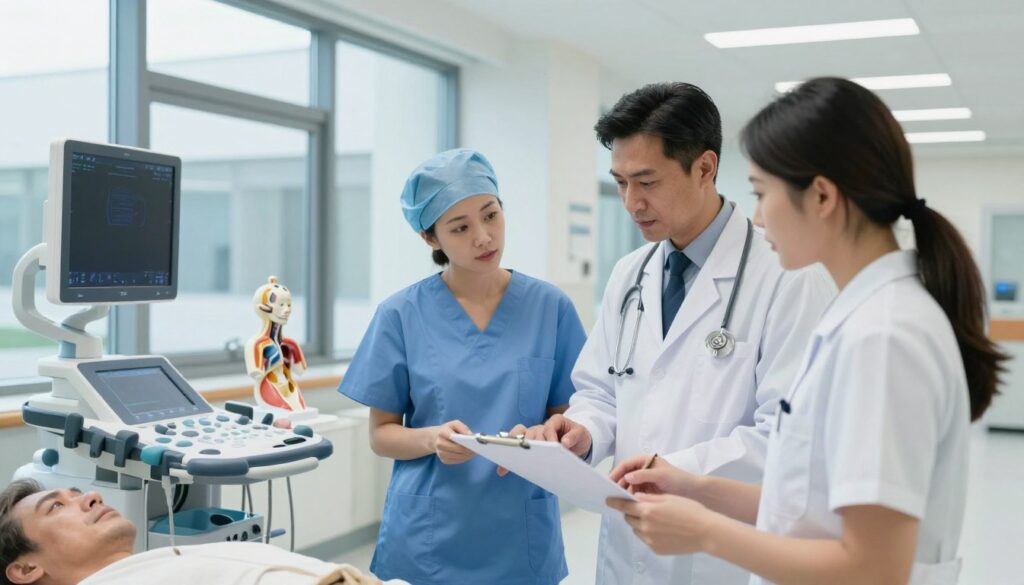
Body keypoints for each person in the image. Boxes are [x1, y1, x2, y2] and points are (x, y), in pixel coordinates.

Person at [607, 77, 1009, 585]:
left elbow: (875, 567)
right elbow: (808, 505)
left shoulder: (883, 338)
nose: (756, 215)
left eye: (761, 193)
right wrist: (693, 486)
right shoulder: (862, 320)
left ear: (820, 196)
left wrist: (707, 532)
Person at [509, 82, 836, 585]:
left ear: (705, 167)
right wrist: (582, 432)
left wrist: (673, 469)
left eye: (647, 181)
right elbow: (601, 391)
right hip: (628, 547)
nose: (631, 202)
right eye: (620, 182)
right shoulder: (629, 275)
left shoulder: (787, 277)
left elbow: (789, 438)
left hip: (723, 553)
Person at [337, 149, 587, 585]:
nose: (484, 237)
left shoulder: (550, 308)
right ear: (430, 239)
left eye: (491, 215)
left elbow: (570, 415)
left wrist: (544, 434)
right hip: (430, 538)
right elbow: (381, 435)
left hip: (520, 533)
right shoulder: (400, 314)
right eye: (461, 227)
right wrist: (432, 439)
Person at [0, 479, 393, 585]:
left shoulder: (153, 565)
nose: (90, 497)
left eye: (77, 492)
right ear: (25, 568)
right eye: (56, 506)